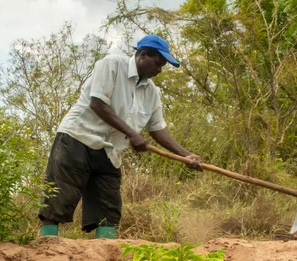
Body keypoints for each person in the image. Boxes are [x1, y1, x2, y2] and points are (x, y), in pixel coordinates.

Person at [38, 34, 202, 239]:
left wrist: (186, 155)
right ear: (143, 55)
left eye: (163, 66)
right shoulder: (112, 65)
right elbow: (97, 103)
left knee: (109, 206)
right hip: (77, 138)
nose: (160, 70)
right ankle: (46, 246)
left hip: (110, 151)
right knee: (61, 195)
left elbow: (157, 129)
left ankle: (104, 256)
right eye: (158, 63)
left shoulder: (151, 92)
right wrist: (132, 134)